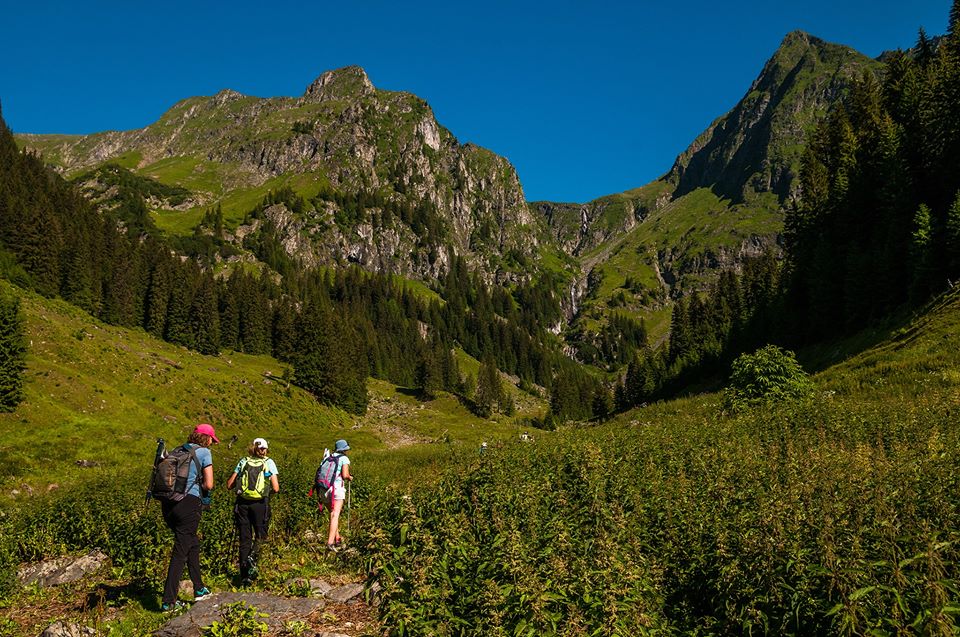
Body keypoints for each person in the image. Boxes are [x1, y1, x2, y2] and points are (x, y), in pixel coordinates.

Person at [160, 423, 218, 612]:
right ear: (207, 438)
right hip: (189, 503)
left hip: (168, 504)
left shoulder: (178, 450)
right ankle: (168, 601)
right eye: (212, 440)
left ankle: (199, 588)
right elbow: (209, 484)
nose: (212, 443)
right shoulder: (204, 452)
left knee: (192, 543)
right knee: (180, 552)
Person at [225, 437, 279, 586]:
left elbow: (229, 484)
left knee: (244, 539)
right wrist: (265, 492)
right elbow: (276, 487)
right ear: (265, 449)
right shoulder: (268, 463)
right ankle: (252, 561)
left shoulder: (243, 461)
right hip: (260, 504)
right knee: (261, 535)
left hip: (242, 504)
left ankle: (243, 578)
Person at [324, 439, 353, 551]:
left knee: (332, 514)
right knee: (335, 515)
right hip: (336, 489)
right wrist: (350, 477)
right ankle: (330, 543)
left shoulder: (328, 457)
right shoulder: (344, 458)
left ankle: (337, 538)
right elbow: (345, 475)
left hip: (324, 489)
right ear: (344, 449)